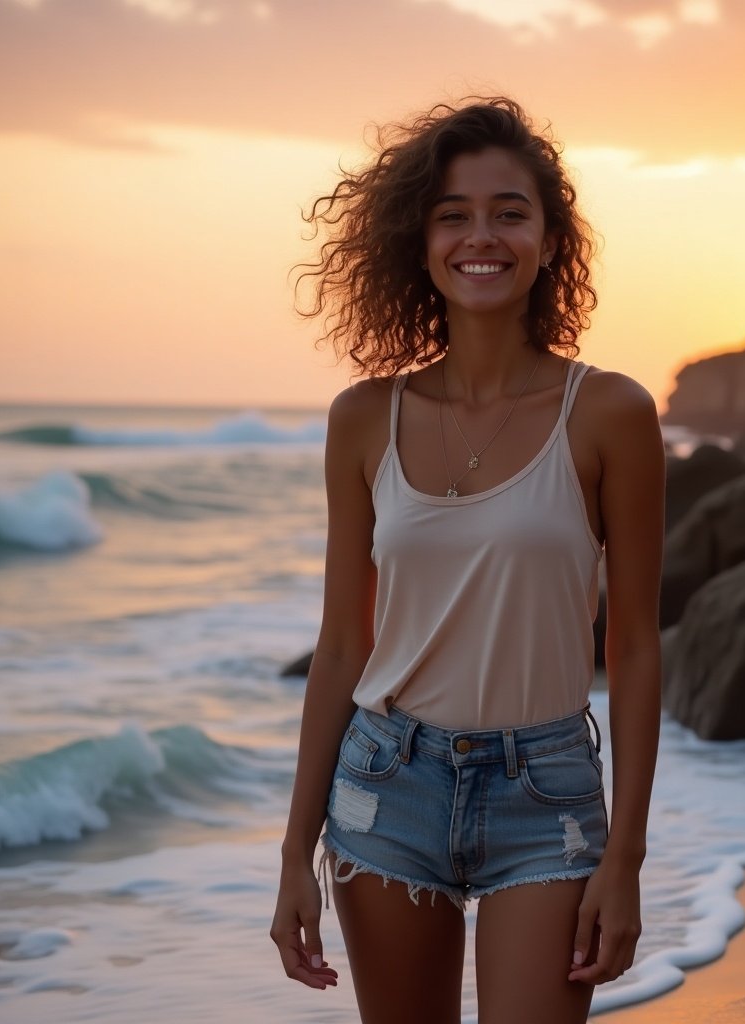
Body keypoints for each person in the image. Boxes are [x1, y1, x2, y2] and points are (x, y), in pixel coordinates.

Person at [271, 97, 664, 1024]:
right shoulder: (364, 418)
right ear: (418, 240)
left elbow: (639, 645)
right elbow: (339, 646)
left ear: (548, 237)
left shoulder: (609, 413)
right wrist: (293, 853)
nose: (479, 236)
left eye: (508, 212)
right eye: (453, 214)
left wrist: (627, 858)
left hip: (548, 794)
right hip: (385, 784)